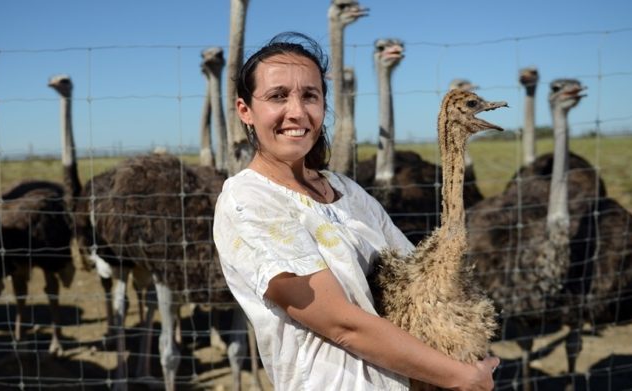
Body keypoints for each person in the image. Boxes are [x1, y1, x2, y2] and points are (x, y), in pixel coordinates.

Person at [213, 31, 499, 390]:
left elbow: (417, 285)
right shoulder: (248, 201)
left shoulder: (347, 191)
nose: (297, 112)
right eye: (278, 96)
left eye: (310, 96)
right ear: (246, 111)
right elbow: (342, 325)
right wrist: (463, 377)